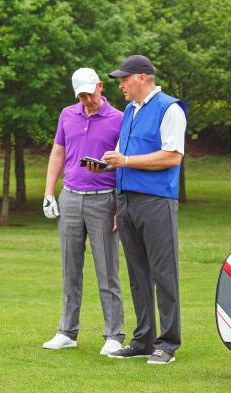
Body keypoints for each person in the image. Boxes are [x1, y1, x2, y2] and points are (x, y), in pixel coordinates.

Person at [102, 55, 187, 364]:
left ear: (141, 77)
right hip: (126, 201)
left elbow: (171, 156)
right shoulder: (130, 110)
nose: (121, 84)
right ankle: (143, 340)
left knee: (163, 272)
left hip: (156, 202)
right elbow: (126, 155)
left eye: (124, 78)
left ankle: (168, 343)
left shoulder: (170, 108)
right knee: (138, 274)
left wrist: (125, 161)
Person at [42, 67, 125, 355]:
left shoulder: (119, 119)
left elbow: (124, 164)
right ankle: (67, 331)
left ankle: (114, 334)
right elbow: (58, 153)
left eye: (90, 94)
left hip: (104, 200)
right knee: (70, 269)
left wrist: (119, 204)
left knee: (107, 270)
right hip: (71, 199)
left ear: (101, 87)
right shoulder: (67, 115)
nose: (87, 100)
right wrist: (49, 192)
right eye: (82, 96)